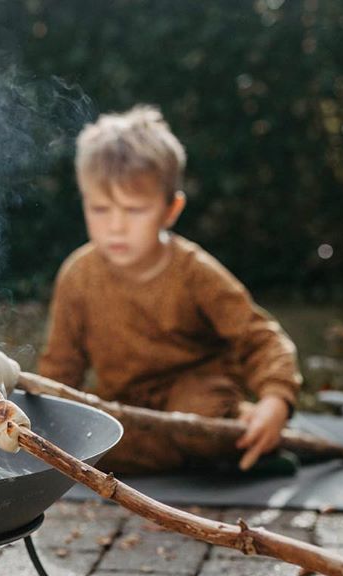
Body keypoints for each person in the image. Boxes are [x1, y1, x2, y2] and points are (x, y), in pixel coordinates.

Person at [38, 106, 302, 475]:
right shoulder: (77, 275)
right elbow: (59, 368)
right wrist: (49, 423)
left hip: (197, 401)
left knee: (199, 425)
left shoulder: (194, 271)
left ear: (170, 210)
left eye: (133, 211)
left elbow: (259, 337)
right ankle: (217, 459)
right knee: (94, 439)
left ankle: (247, 437)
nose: (115, 226)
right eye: (100, 209)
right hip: (125, 408)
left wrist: (275, 399)